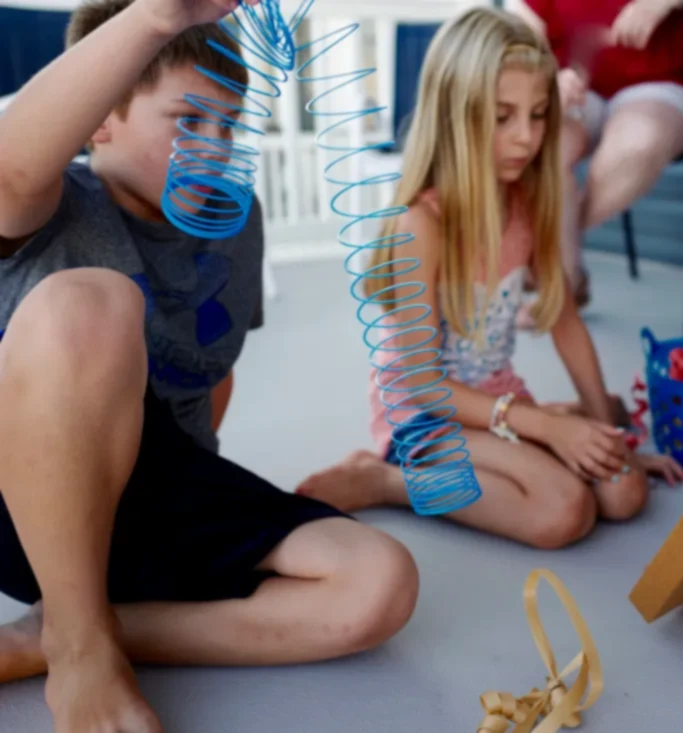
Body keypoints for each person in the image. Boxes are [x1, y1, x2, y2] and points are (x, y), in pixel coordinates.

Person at [0, 1, 418, 731]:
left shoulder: (236, 220)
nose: (216, 146)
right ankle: (81, 640)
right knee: (93, 304)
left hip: (154, 488)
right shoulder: (60, 205)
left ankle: (73, 628)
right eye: (189, 121)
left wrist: (203, 507)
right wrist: (154, 20)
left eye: (228, 125)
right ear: (101, 117)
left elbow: (211, 374)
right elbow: (9, 170)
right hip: (29, 498)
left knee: (379, 582)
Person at [295, 7, 683, 550]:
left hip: (496, 399)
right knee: (562, 512)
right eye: (502, 116)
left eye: (539, 113)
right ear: (455, 114)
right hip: (425, 414)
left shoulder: (529, 199)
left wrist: (610, 436)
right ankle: (387, 480)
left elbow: (565, 321)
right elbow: (422, 385)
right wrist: (546, 428)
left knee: (624, 492)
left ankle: (551, 424)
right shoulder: (421, 223)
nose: (526, 138)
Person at [503, 0, 683, 320]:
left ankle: (549, 260)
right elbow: (521, 30)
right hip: (577, 86)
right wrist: (543, 75)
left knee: (637, 144)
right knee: (542, 147)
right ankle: (563, 282)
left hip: (668, 81)